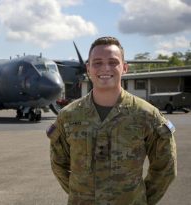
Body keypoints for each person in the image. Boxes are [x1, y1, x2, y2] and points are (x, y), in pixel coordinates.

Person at [46, 36, 176, 205]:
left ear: (125, 68)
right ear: (88, 69)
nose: (105, 68)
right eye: (97, 62)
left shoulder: (147, 115)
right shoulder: (68, 116)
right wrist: (81, 195)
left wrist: (140, 199)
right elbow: (58, 164)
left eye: (113, 62)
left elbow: (165, 167)